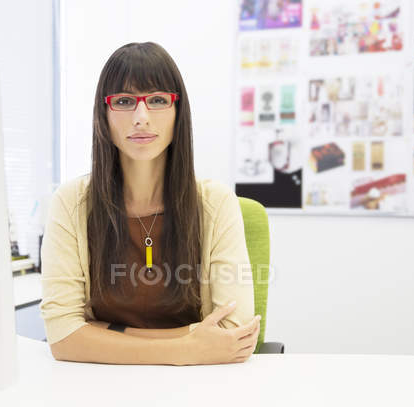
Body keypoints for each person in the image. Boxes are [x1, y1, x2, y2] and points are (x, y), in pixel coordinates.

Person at [40, 42, 260, 365]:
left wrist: (103, 332)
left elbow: (233, 331)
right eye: (125, 101)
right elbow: (62, 336)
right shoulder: (71, 204)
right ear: (104, 114)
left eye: (157, 100)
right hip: (99, 390)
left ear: (177, 111)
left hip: (199, 390)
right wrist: (187, 348)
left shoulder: (216, 203)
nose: (141, 117)